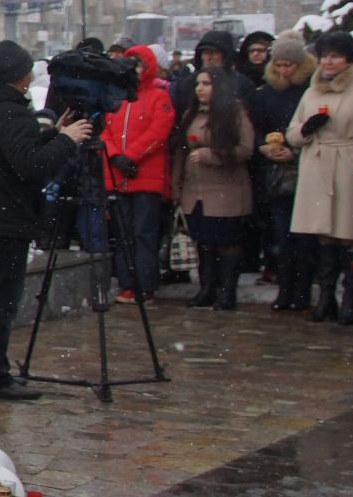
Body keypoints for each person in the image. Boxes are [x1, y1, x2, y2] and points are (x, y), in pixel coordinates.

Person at [0, 40, 93, 399]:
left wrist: (52, 133)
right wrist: (66, 140)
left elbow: (10, 153)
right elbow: (30, 165)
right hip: (6, 217)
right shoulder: (10, 111)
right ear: (22, 75)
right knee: (0, 299)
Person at [287, 33, 353, 325]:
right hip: (317, 165)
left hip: (349, 166)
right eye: (324, 56)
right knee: (323, 238)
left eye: (335, 56)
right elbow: (293, 133)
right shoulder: (312, 91)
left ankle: (349, 298)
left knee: (348, 236)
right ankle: (326, 297)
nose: (328, 62)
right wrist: (307, 129)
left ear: (349, 60)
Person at [171, 70, 255, 310]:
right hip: (195, 191)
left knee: (227, 242)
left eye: (206, 84)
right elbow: (181, 152)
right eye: (198, 83)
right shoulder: (191, 114)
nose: (200, 88)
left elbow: (245, 148)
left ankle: (227, 292)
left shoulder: (235, 113)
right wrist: (176, 186)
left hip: (225, 189)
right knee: (204, 243)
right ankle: (206, 289)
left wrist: (213, 154)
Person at [100, 45, 174, 304]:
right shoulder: (115, 96)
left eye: (140, 64)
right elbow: (103, 129)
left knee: (144, 231)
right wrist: (114, 155)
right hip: (118, 174)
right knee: (122, 232)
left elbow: (159, 131)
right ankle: (126, 283)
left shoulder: (158, 96)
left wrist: (129, 155)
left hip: (144, 175)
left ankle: (145, 284)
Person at [246, 33, 314, 309]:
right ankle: (285, 289)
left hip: (304, 168)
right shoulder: (264, 93)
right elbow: (254, 127)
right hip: (274, 173)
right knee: (281, 236)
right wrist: (263, 145)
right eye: (280, 65)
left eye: (290, 65)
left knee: (304, 238)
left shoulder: (309, 91)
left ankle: (303, 291)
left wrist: (294, 150)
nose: (284, 71)